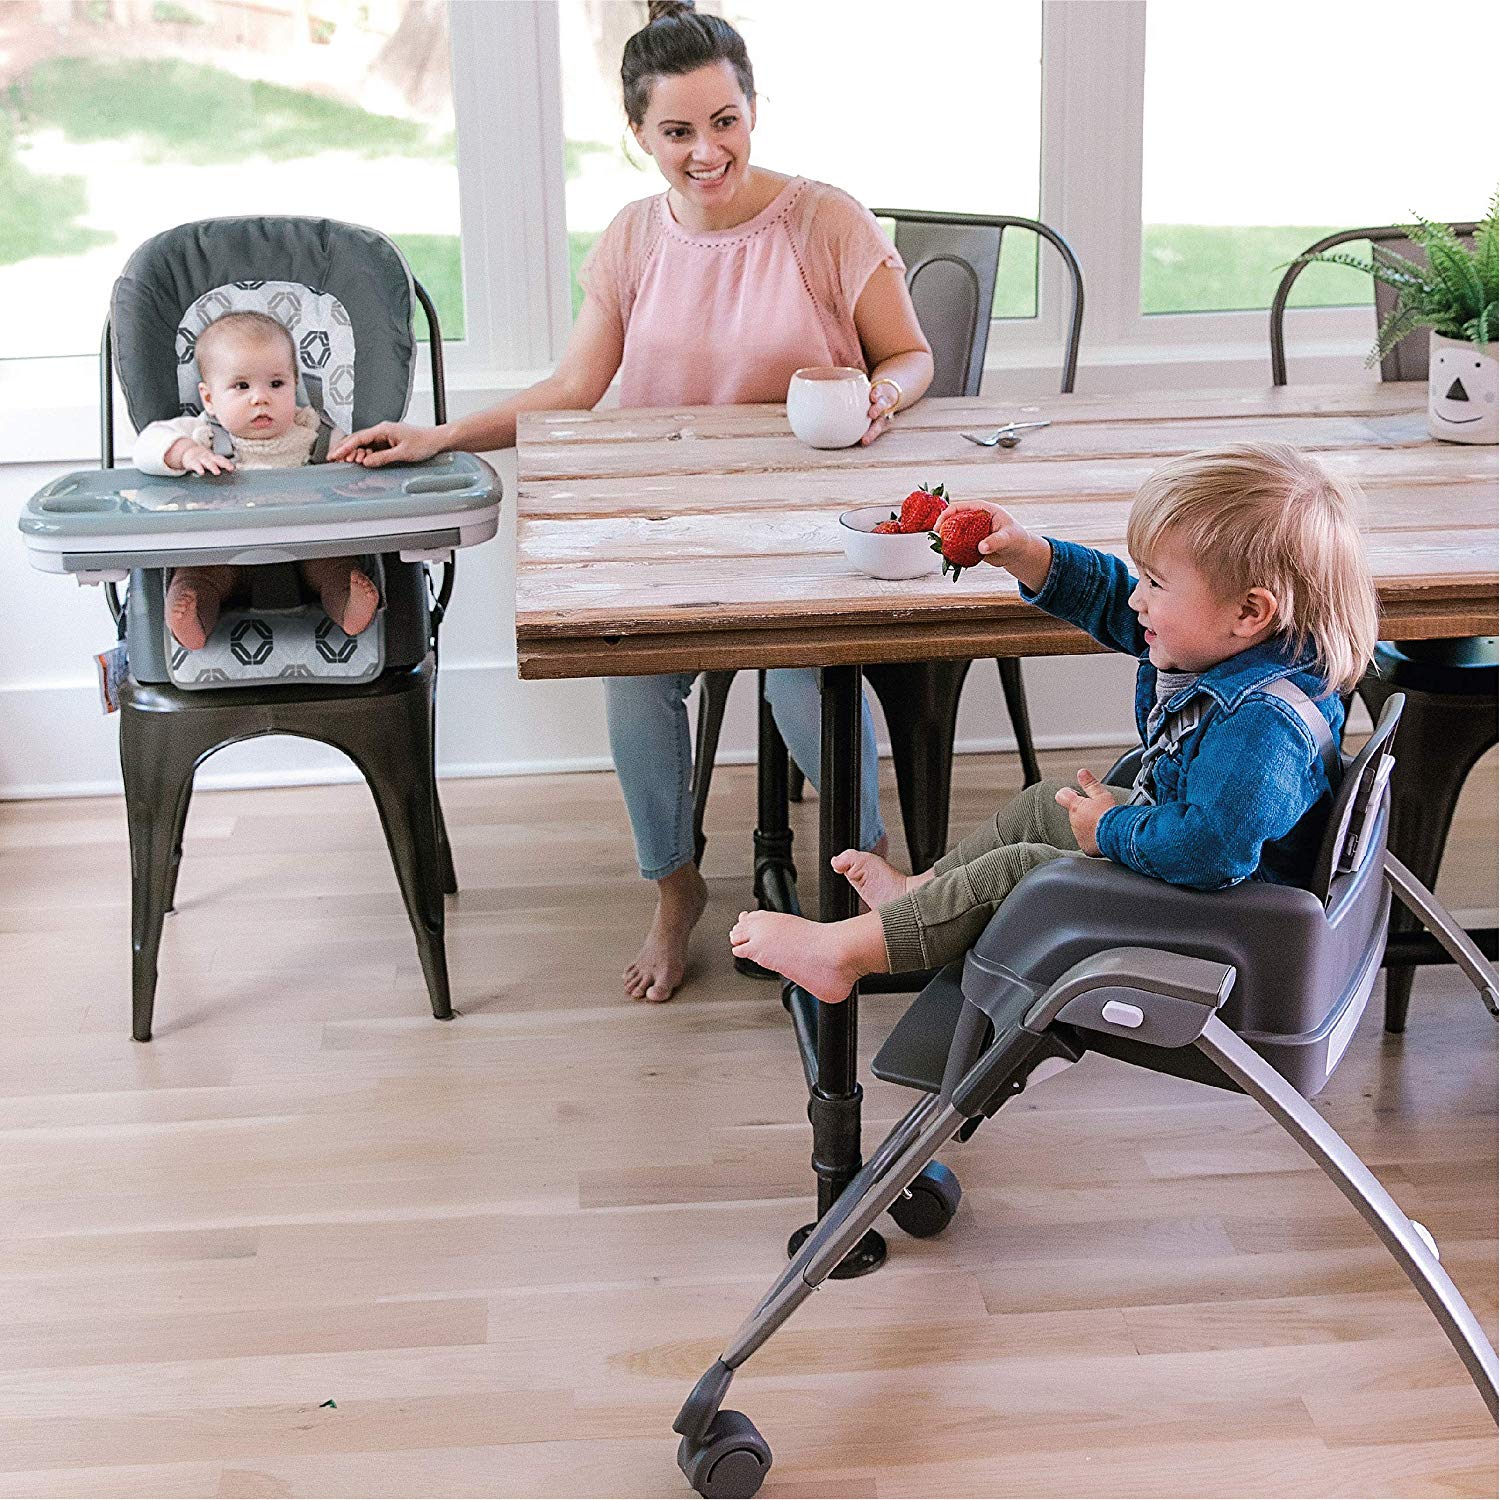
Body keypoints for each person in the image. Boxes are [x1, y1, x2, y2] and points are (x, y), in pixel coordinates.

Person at [330, 0, 935, 1002]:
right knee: (631, 679)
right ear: (640, 136)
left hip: (802, 529)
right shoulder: (632, 239)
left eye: (726, 120)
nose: (709, 150)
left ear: (752, 108)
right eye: (680, 131)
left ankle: (866, 882)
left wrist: (883, 393)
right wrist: (441, 436)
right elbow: (574, 391)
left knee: (805, 680)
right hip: (674, 531)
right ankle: (676, 888)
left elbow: (910, 355)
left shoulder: (828, 219)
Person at [730, 442, 1380, 1003]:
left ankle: (845, 954)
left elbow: (1209, 851)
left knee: (1028, 867)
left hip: (1225, 925)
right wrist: (1029, 554)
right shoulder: (1246, 647)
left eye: (1155, 583)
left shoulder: (1261, 728)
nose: (1137, 598)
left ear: (1249, 610)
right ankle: (915, 897)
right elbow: (1110, 600)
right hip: (1212, 878)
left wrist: (1111, 830)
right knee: (1047, 804)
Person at [133, 311, 380, 650]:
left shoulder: (313, 433)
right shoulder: (203, 434)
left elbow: (352, 456)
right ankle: (190, 619)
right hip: (221, 552)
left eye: (276, 384)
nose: (260, 397)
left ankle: (350, 609)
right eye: (241, 386)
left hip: (308, 548)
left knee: (336, 569)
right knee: (194, 577)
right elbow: (146, 445)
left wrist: (354, 457)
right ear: (209, 399)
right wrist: (185, 453)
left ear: (295, 386)